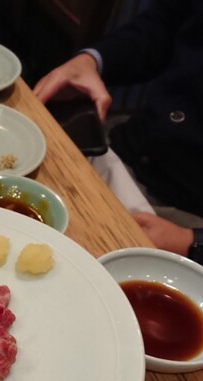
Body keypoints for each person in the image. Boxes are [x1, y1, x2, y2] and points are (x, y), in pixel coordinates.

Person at [33, 0, 203, 261]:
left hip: (185, 219)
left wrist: (192, 242)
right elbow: (167, 22)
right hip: (127, 150)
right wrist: (92, 60)